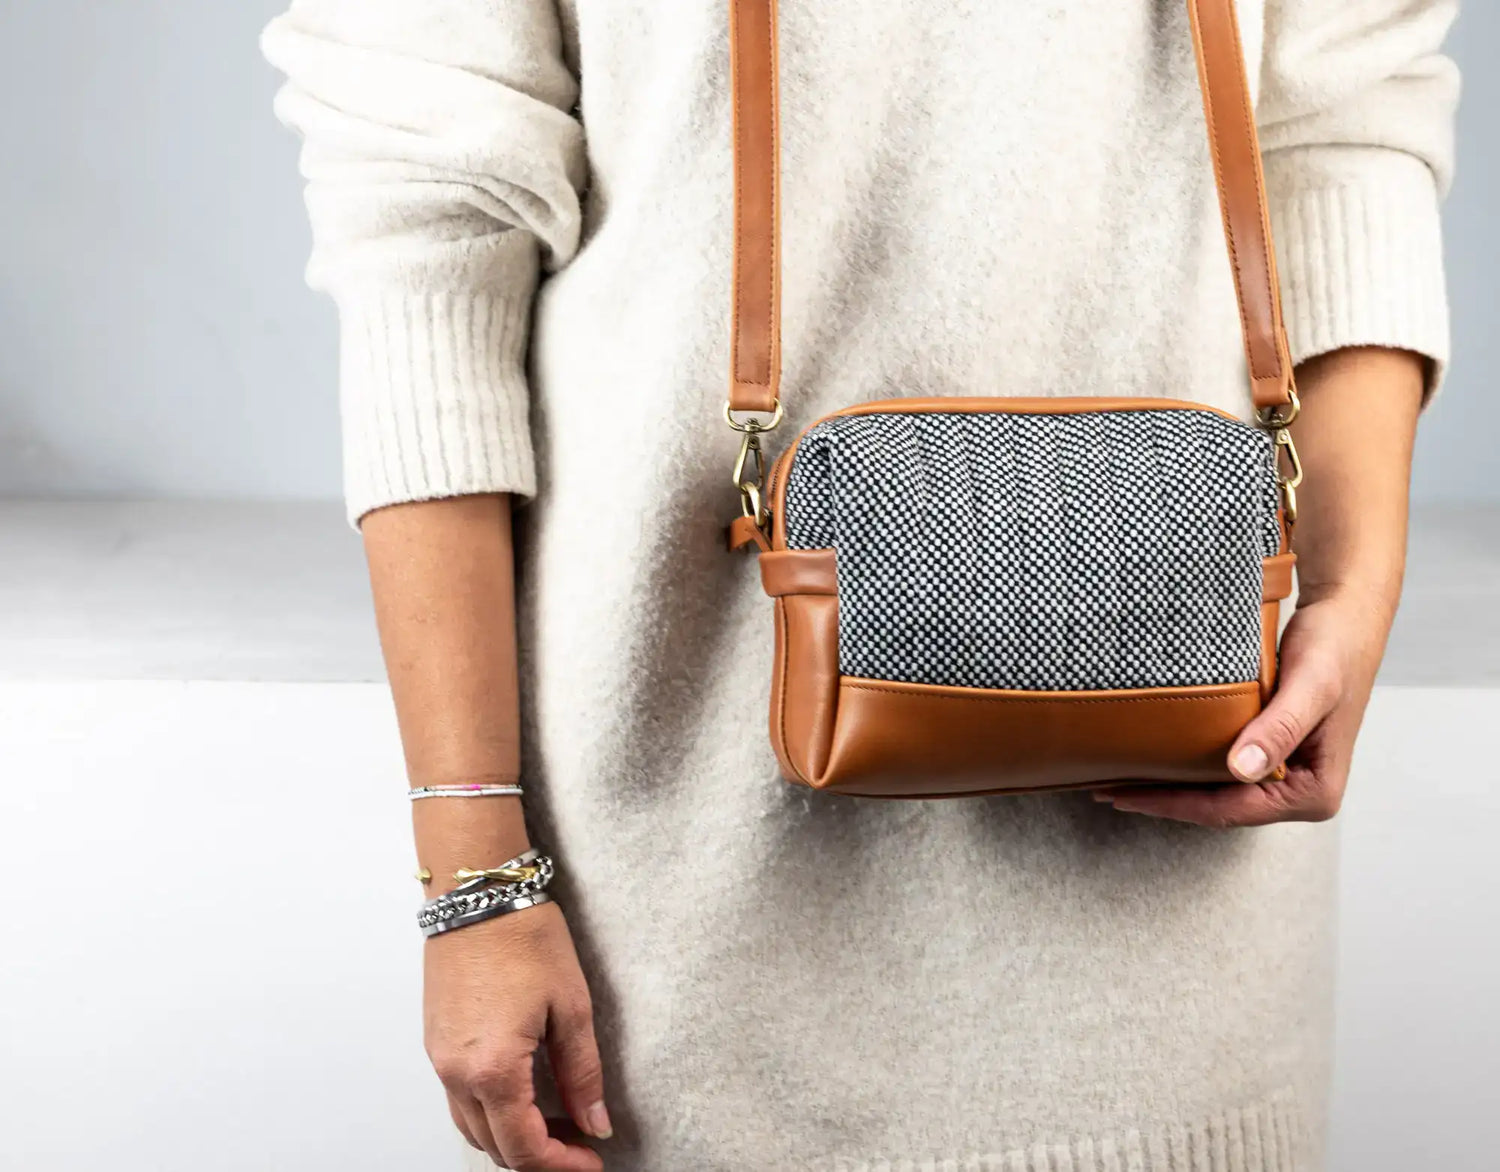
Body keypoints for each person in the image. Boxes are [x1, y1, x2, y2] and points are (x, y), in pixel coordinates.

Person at [262, 2, 1459, 1169]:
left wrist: (1356, 588)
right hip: (690, 922)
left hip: (1187, 935)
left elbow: (1345, 126)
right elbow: (427, 236)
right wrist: (473, 873)